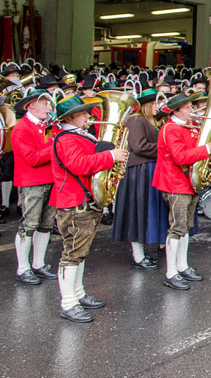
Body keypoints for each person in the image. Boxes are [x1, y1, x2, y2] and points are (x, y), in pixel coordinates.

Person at [50, 95, 128, 322]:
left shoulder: (79, 135)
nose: (88, 115)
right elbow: (79, 165)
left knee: (80, 252)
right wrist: (110, 156)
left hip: (84, 201)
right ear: (70, 118)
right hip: (75, 203)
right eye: (83, 113)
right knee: (72, 254)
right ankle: (68, 303)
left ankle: (78, 294)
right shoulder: (67, 139)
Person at [153, 91, 211, 290]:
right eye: (188, 107)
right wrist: (207, 149)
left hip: (188, 183)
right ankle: (171, 272)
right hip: (175, 183)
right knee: (177, 227)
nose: (192, 110)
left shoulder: (187, 126)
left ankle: (182, 265)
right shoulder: (171, 128)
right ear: (176, 111)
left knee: (186, 226)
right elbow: (180, 157)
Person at [12, 90, 57, 285]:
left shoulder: (46, 126)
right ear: (31, 105)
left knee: (46, 225)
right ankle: (23, 268)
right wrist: (55, 146)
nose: (49, 108)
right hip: (31, 183)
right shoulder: (21, 128)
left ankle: (38, 264)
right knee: (29, 226)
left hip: (49, 180)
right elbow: (32, 159)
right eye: (45, 104)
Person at [112, 88, 160, 269]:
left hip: (145, 170)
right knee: (136, 213)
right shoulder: (136, 120)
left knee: (143, 212)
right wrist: (164, 148)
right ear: (147, 105)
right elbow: (139, 147)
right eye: (155, 103)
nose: (158, 107)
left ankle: (143, 252)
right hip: (138, 171)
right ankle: (138, 256)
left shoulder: (148, 120)